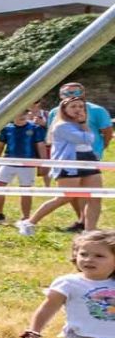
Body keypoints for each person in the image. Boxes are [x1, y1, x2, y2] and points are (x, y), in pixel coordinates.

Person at [22, 97, 103, 236]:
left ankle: (89, 231)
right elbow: (86, 138)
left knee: (95, 197)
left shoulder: (81, 124)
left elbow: (91, 139)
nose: (78, 109)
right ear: (64, 110)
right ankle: (29, 222)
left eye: (80, 106)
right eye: (73, 106)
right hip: (69, 162)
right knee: (65, 197)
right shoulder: (61, 126)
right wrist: (84, 124)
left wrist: (84, 125)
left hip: (89, 159)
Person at [49, 83, 112, 230]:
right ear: (60, 95)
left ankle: (87, 225)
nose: (71, 94)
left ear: (83, 93)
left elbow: (107, 131)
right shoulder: (55, 112)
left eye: (75, 91)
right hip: (68, 157)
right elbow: (53, 136)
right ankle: (82, 220)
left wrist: (101, 148)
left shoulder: (97, 110)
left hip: (91, 155)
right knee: (72, 193)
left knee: (90, 194)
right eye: (66, 92)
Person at [0, 106, 49, 225]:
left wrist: (43, 164)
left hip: (28, 164)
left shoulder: (35, 128)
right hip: (8, 162)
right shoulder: (6, 129)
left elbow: (40, 146)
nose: (22, 115)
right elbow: (0, 146)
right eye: (19, 112)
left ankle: (25, 217)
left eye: (25, 112)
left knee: (25, 190)